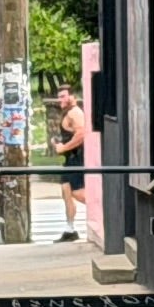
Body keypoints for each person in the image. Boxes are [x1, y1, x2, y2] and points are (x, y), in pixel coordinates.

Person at [52, 83, 87, 242]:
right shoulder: (68, 113)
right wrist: (58, 143)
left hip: (77, 158)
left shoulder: (75, 113)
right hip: (70, 158)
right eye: (59, 97)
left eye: (63, 96)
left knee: (77, 192)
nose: (60, 99)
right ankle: (70, 229)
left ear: (72, 96)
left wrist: (64, 147)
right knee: (66, 191)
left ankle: (103, 209)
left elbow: (81, 134)